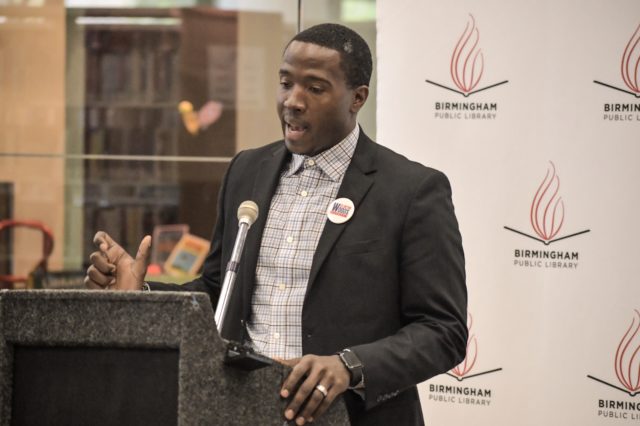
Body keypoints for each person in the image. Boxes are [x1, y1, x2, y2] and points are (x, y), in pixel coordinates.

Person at [85, 23, 467, 426]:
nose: (293, 101)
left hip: (349, 416)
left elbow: (443, 330)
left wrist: (349, 366)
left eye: (315, 88)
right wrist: (140, 294)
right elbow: (217, 293)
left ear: (357, 98)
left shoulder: (411, 190)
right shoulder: (247, 170)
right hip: (240, 410)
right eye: (286, 83)